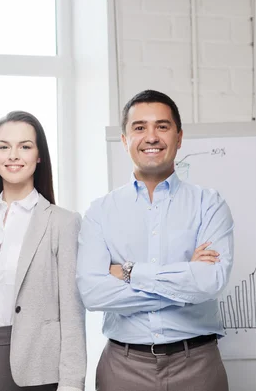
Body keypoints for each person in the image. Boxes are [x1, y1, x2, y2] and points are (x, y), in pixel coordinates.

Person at [76, 89, 233, 391]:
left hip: (198, 365)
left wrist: (129, 272)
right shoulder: (100, 212)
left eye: (162, 126)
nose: (151, 137)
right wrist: (183, 277)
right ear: (124, 140)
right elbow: (93, 293)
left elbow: (209, 282)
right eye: (139, 128)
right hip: (123, 368)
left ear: (179, 137)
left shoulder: (209, 205)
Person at [0, 111, 87, 391]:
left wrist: (72, 385)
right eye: (4, 147)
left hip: (40, 371)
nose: (13, 155)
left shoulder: (62, 222)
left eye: (24, 146)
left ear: (39, 156)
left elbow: (72, 314)